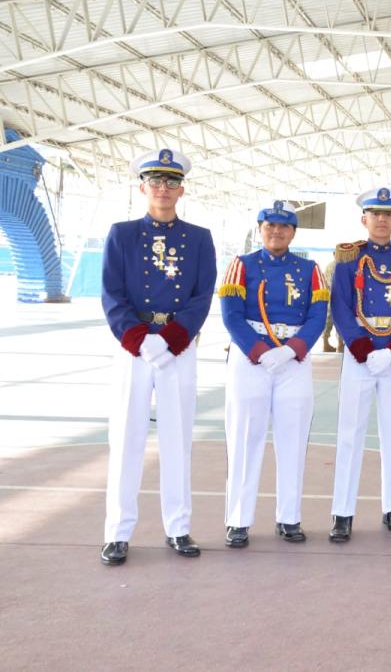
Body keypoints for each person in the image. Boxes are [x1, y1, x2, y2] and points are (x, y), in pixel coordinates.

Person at [99, 148, 216, 565]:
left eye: (171, 182)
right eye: (155, 181)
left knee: (177, 438)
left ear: (181, 189)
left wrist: (170, 339)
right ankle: (117, 532)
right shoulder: (122, 234)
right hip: (134, 348)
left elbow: (202, 295)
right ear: (142, 187)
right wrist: (139, 338)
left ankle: (178, 527)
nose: (163, 188)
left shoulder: (199, 238)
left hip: (177, 348)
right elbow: (111, 293)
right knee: (125, 438)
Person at [218, 201, 329, 548]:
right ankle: (238, 520)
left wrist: (292, 349)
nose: (276, 232)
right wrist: (259, 350)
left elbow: (318, 315)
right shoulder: (241, 265)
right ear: (260, 229)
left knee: (293, 439)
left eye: (284, 227)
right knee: (244, 438)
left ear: (293, 232)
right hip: (251, 357)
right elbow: (231, 314)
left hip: (293, 360)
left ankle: (289, 517)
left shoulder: (310, 269)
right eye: (270, 226)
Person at [328, 188, 391, 542]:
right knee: (349, 434)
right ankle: (342, 513)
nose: (382, 220)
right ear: (364, 219)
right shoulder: (349, 258)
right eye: (375, 214)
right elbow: (340, 306)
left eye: (388, 214)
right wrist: (363, 349)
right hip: (360, 356)